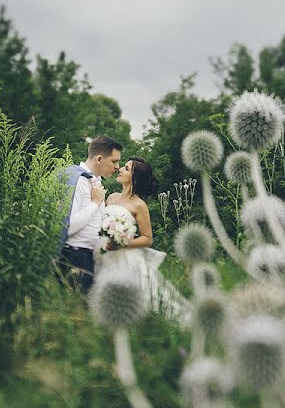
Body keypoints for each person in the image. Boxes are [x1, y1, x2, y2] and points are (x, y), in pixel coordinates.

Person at [94, 157, 191, 323]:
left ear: (134, 177)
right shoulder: (111, 198)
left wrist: (121, 244)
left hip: (125, 256)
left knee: (143, 297)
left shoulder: (139, 205)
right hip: (103, 253)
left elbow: (147, 239)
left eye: (126, 168)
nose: (120, 169)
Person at [58, 135, 122, 293]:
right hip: (75, 258)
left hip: (92, 257)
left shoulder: (97, 182)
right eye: (114, 161)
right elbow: (66, 226)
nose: (117, 167)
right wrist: (95, 203)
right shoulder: (77, 180)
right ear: (99, 159)